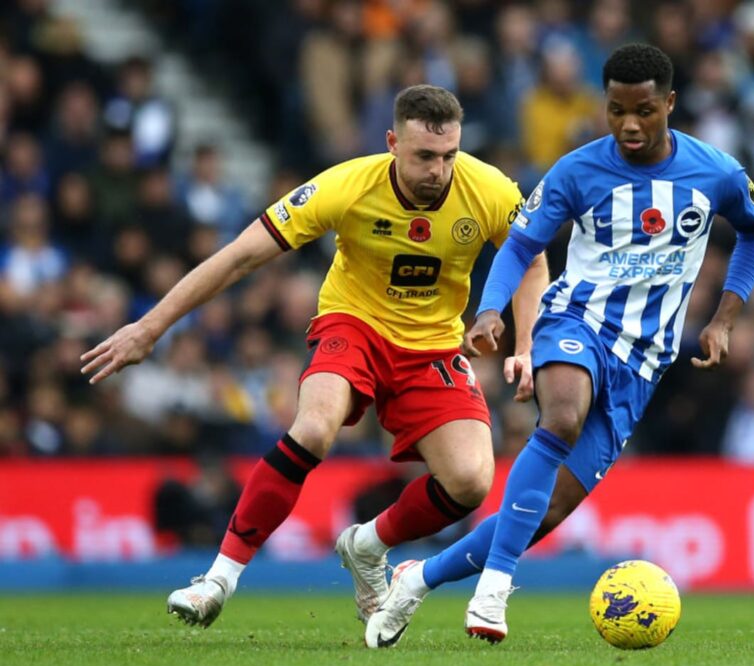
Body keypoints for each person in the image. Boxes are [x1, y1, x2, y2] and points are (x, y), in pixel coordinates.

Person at [80, 85, 549, 628]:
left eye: (448, 156)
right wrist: (149, 327)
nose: (438, 171)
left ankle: (368, 545)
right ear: (393, 143)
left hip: (433, 345)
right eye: (424, 156)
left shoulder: (489, 189)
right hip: (354, 325)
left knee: (471, 482)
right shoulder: (346, 186)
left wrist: (525, 343)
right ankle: (217, 580)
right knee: (316, 426)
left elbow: (531, 261)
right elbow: (239, 258)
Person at [364, 44, 754, 647]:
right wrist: (490, 310)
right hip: (574, 321)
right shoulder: (577, 171)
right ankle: (495, 589)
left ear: (669, 104)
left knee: (544, 513)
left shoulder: (716, 172)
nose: (629, 125)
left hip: (644, 362)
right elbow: (520, 246)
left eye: (643, 111)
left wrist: (723, 319)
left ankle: (418, 579)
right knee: (560, 416)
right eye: (615, 111)